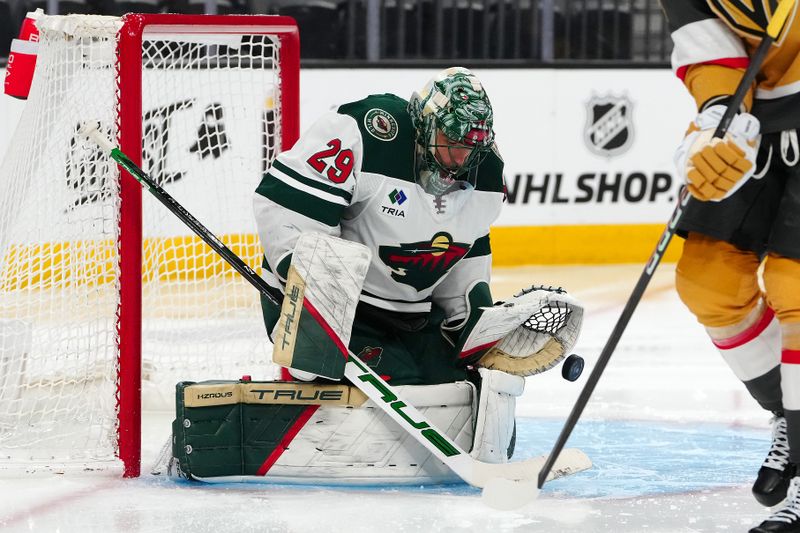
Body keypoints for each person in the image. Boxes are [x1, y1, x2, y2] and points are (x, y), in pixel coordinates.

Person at [252, 67, 582, 465]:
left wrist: (476, 327)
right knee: (353, 359)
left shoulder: (487, 173)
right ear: (424, 122)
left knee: (464, 389)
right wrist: (315, 301)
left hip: (406, 316)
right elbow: (285, 211)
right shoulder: (366, 131)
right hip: (329, 306)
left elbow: (465, 260)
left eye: (470, 147)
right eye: (450, 141)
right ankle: (305, 373)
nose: (460, 158)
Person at [660, 1, 800, 531]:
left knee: (797, 284)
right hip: (762, 118)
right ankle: (789, 416)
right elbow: (710, 43)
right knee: (707, 281)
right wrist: (719, 120)